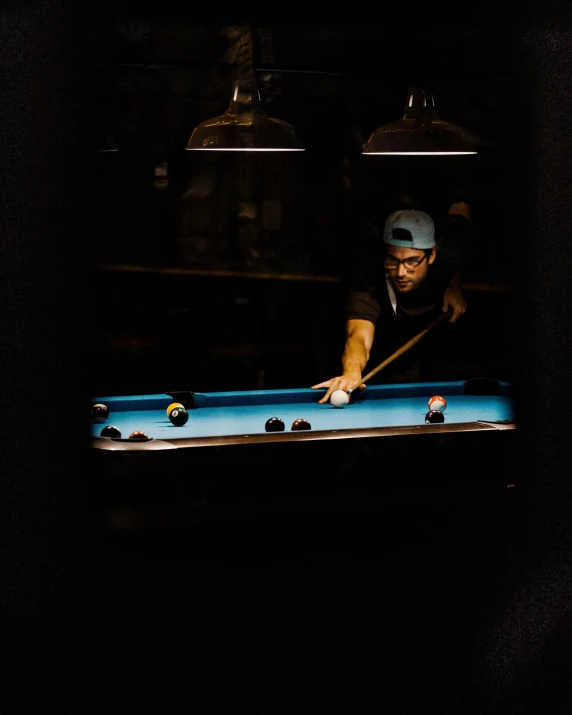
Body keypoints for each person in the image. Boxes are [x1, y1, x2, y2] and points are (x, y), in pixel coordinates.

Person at [311, 201, 476, 404]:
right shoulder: (368, 275)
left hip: (408, 353)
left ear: (432, 255)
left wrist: (455, 286)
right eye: (392, 260)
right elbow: (359, 336)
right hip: (354, 347)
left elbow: (461, 209)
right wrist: (351, 372)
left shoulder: (449, 253)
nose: (400, 272)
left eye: (411, 261)